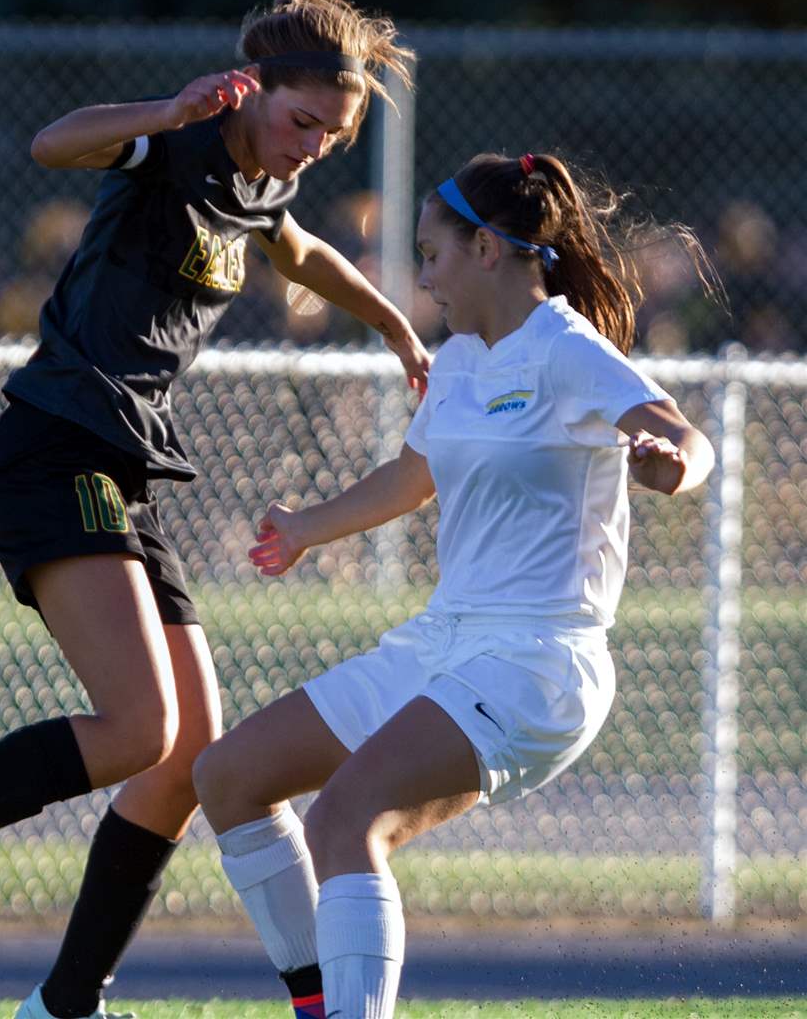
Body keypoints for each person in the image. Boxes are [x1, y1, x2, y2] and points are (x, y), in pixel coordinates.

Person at [0, 0, 429, 1019]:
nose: (314, 145)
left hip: (123, 470)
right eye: (301, 121)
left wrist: (399, 331)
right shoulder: (179, 146)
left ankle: (65, 1003)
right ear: (251, 93)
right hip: (56, 449)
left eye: (334, 134)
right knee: (141, 728)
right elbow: (56, 143)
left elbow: (303, 251)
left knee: (190, 758)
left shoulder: (262, 184)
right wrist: (164, 111)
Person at [193, 151, 719, 1019]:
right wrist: (307, 528)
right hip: (446, 640)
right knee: (229, 776)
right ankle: (321, 1003)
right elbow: (410, 479)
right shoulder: (464, 360)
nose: (423, 276)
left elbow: (682, 437)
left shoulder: (564, 348)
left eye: (432, 253)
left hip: (538, 660)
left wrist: (669, 467)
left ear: (487, 249)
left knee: (343, 824)